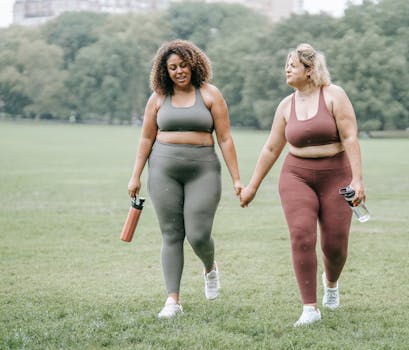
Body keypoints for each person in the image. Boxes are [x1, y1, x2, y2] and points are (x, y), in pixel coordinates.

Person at [239, 43, 366, 327]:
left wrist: (357, 180)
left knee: (335, 245)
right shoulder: (286, 106)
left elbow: (350, 138)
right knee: (300, 235)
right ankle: (309, 307)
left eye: (292, 65)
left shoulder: (334, 95)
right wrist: (252, 187)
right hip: (296, 175)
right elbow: (271, 149)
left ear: (309, 71)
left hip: (336, 174)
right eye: (286, 64)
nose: (287, 69)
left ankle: (331, 283)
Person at [128, 39, 243, 319]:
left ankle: (210, 267)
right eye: (172, 68)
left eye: (183, 65)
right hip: (163, 170)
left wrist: (237, 179)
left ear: (194, 64)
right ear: (164, 71)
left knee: (198, 234)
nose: (179, 71)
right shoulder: (157, 98)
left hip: (203, 169)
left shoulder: (210, 94)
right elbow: (146, 138)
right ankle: (173, 300)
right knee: (171, 235)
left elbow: (225, 139)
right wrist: (135, 176)